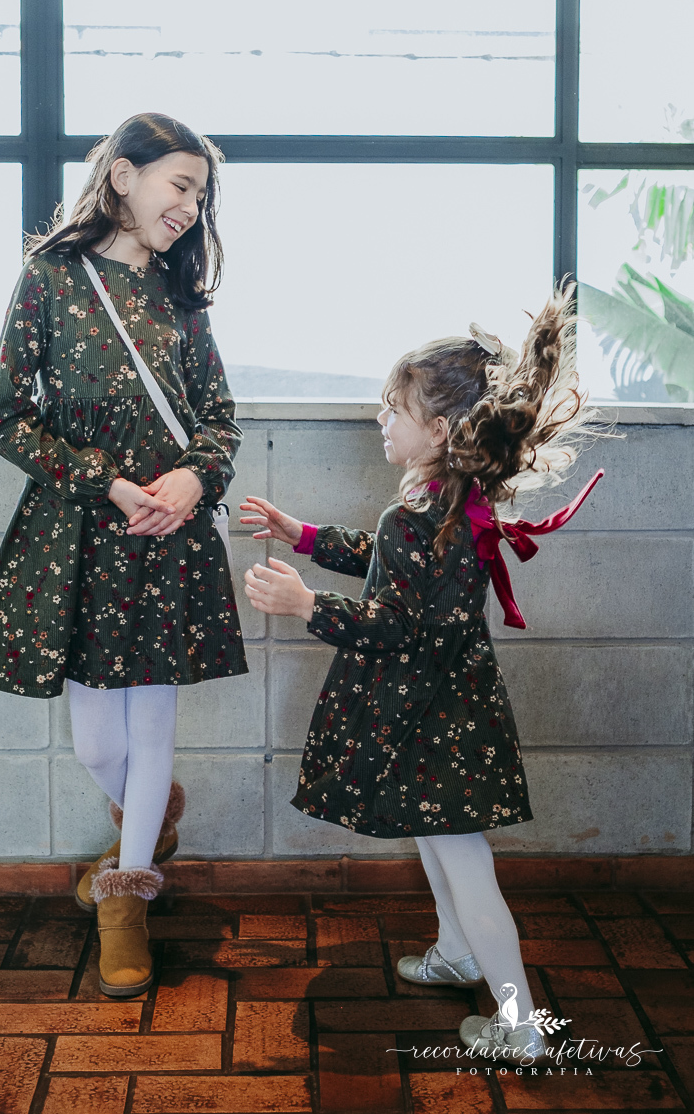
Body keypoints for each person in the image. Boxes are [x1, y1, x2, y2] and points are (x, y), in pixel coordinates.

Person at [240, 287, 601, 1063]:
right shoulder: (447, 500)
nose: (379, 419)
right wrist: (300, 533)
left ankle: (523, 1028)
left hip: (429, 718)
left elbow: (396, 623)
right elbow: (390, 570)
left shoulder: (419, 513)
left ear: (437, 429)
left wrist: (308, 606)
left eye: (390, 408)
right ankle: (456, 955)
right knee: (440, 842)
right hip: (447, 713)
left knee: (463, 859)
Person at [0, 112, 247, 996]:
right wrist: (107, 481)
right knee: (98, 739)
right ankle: (148, 816)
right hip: (81, 534)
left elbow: (218, 418)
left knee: (153, 720)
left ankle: (126, 894)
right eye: (179, 185)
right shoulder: (50, 278)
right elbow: (7, 416)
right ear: (123, 176)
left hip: (168, 536)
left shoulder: (181, 297)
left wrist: (191, 482)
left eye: (199, 195)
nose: (188, 207)